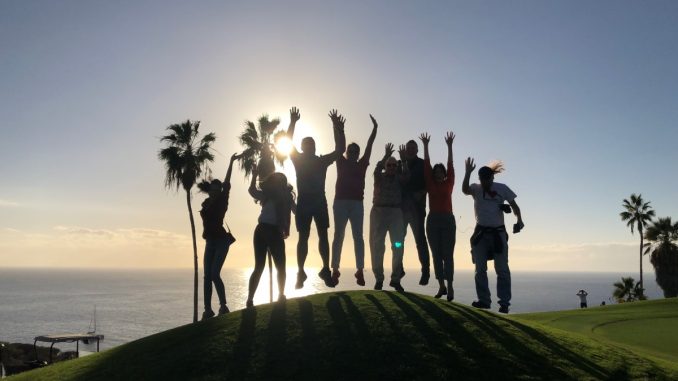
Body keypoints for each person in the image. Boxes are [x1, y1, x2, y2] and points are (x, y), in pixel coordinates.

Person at [287, 108, 346, 288]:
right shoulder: (298, 159)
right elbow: (288, 143)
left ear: (314, 147)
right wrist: (293, 122)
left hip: (319, 202)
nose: (310, 146)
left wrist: (338, 128)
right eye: (307, 144)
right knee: (303, 237)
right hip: (305, 202)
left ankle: (325, 270)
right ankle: (300, 272)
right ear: (304, 147)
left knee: (323, 236)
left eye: (312, 144)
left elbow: (340, 149)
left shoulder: (321, 161)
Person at [462, 158, 524, 314]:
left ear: (492, 178)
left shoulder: (502, 188)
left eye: (486, 180)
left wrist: (519, 221)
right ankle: (484, 301)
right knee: (480, 269)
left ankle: (504, 303)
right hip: (481, 233)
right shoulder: (476, 189)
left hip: (498, 233)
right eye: (481, 180)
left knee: (502, 269)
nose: (484, 183)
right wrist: (467, 172)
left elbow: (515, 206)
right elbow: (464, 190)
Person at [330, 114, 378, 286]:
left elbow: (370, 145)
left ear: (358, 154)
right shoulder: (341, 162)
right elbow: (338, 145)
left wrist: (374, 130)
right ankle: (335, 269)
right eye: (351, 151)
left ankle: (359, 270)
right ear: (347, 153)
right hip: (341, 202)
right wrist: (336, 126)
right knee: (339, 235)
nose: (353, 153)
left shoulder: (362, 164)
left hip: (357, 204)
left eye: (355, 152)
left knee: (358, 237)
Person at [246, 165, 296, 308]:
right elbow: (252, 191)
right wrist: (254, 175)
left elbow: (296, 210)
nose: (279, 183)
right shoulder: (268, 195)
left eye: (281, 181)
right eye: (277, 181)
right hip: (264, 230)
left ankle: (280, 295)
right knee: (261, 267)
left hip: (272, 230)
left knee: (279, 266)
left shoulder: (286, 197)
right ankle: (250, 299)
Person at [198, 152, 241, 320]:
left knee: (215, 274)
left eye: (217, 189)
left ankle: (223, 306)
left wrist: (230, 163)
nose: (214, 192)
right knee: (207, 276)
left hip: (221, 241)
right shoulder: (206, 204)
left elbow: (227, 182)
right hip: (210, 241)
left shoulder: (223, 200)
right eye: (213, 190)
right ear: (210, 191)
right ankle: (207, 310)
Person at [420, 132, 456, 301]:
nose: (439, 173)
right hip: (433, 221)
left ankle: (450, 287)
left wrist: (449, 146)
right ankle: (441, 285)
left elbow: (450, 164)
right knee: (436, 255)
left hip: (448, 220)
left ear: (445, 174)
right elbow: (426, 165)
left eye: (441, 171)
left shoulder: (450, 182)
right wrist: (426, 145)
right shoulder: (430, 182)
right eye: (436, 172)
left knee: (448, 255)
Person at [370, 143, 410, 291]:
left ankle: (395, 279)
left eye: (394, 165)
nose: (392, 167)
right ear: (386, 166)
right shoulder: (379, 177)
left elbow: (407, 176)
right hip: (379, 213)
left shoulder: (399, 179)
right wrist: (386, 155)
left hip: (395, 215)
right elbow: (376, 168)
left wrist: (404, 160)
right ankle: (379, 279)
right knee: (378, 246)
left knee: (398, 246)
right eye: (389, 165)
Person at [401, 139, 431, 285]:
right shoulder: (400, 163)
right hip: (401, 208)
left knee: (420, 240)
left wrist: (422, 192)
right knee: (399, 240)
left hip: (417, 209)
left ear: (417, 150)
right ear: (406, 150)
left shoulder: (422, 164)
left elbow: (430, 183)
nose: (411, 150)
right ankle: (398, 268)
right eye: (409, 148)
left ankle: (425, 271)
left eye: (413, 148)